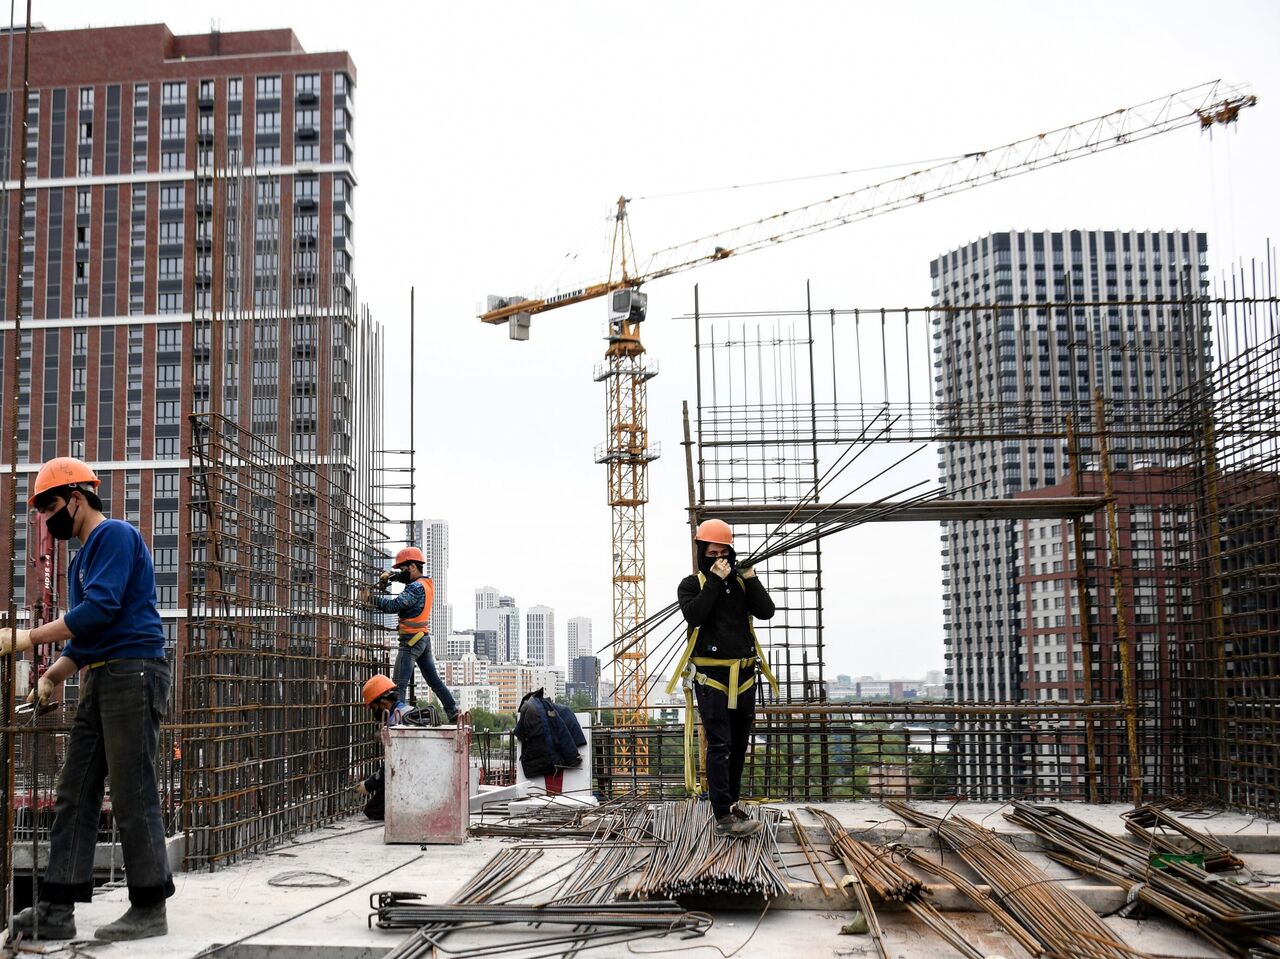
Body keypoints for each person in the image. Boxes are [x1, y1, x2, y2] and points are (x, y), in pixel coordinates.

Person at [0, 457, 172, 942]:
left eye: (52, 505)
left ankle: (149, 905)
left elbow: (100, 612)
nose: (48, 517)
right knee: (75, 791)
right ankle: (57, 905)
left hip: (134, 672)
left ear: (77, 498)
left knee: (133, 788)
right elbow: (88, 639)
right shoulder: (83, 561)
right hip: (104, 675)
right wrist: (52, 677)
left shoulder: (113, 535)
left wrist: (26, 638)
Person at [671, 519, 777, 839]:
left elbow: (767, 611)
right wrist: (715, 580)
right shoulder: (692, 585)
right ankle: (722, 815)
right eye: (711, 552)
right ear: (702, 552)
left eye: (723, 552)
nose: (718, 557)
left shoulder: (741, 585)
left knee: (738, 745)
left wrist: (751, 579)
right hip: (712, 678)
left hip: (744, 675)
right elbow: (695, 615)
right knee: (720, 745)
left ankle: (730, 803)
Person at [359, 547, 458, 723]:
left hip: (411, 642)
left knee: (399, 685)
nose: (401, 573)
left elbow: (393, 606)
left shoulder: (414, 589)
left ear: (412, 566)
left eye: (403, 569)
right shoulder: (426, 583)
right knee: (434, 682)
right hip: (423, 639)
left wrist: (370, 598)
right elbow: (405, 582)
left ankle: (398, 723)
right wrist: (390, 577)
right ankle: (453, 712)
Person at [354, 673, 410, 820]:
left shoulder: (397, 722)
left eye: (374, 708)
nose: (374, 713)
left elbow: (393, 763)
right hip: (412, 775)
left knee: (373, 810)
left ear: (384, 703)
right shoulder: (406, 712)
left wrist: (369, 784)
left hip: (411, 779)